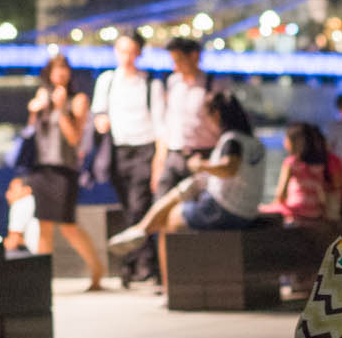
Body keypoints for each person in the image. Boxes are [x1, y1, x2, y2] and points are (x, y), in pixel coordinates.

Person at [106, 94, 268, 258]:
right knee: (190, 187)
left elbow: (229, 167)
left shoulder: (232, 141)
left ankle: (166, 269)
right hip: (247, 211)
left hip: (223, 211)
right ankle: (141, 228)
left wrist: (200, 165)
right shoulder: (254, 143)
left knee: (170, 220)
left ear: (217, 115)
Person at [90, 33, 165, 285]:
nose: (127, 57)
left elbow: (160, 125)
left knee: (138, 206)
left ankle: (140, 264)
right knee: (129, 207)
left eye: (131, 51)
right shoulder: (108, 81)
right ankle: (138, 263)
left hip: (144, 148)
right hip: (118, 151)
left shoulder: (150, 84)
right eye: (122, 51)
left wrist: (158, 161)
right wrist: (101, 122)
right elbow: (99, 113)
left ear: (139, 53)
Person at [26, 54, 105, 290]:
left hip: (64, 170)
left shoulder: (77, 100)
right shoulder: (42, 99)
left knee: (69, 226)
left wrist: (60, 109)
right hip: (41, 169)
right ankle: (42, 281)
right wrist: (35, 109)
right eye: (56, 69)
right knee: (44, 227)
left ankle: (96, 269)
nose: (60, 73)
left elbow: (75, 139)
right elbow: (30, 134)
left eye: (64, 69)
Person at [156, 36, 223, 193]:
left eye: (178, 61)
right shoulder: (173, 82)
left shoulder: (213, 85)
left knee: (197, 206)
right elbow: (168, 121)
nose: (175, 67)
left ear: (194, 56)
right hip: (174, 154)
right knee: (161, 201)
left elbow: (223, 125)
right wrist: (160, 159)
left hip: (203, 155)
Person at [266, 121, 342, 224]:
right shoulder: (321, 164)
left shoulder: (292, 162)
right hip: (317, 212)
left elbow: (280, 195)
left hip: (299, 212)